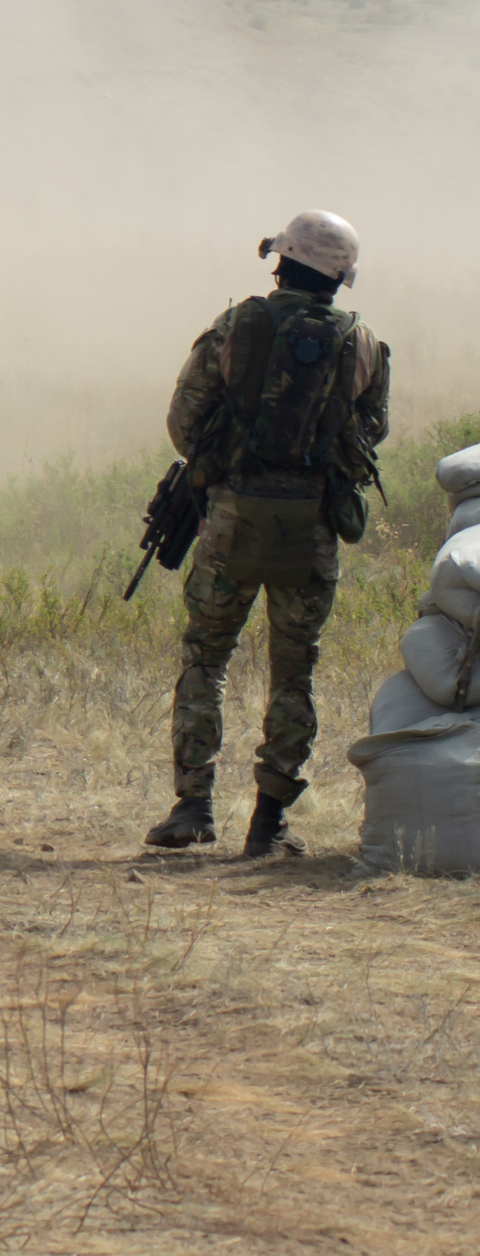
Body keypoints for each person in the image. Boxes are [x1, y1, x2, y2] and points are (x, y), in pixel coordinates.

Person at [146, 211, 389, 858]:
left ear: (279, 260)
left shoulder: (237, 325)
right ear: (340, 277)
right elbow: (371, 434)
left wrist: (223, 468)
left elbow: (183, 418)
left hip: (230, 520)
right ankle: (269, 822)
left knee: (206, 658)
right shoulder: (362, 343)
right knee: (294, 671)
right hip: (309, 530)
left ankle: (192, 806)